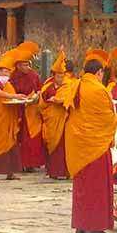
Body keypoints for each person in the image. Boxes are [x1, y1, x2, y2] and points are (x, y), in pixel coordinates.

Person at [58, 55, 117, 233]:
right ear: (99, 73)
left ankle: (82, 225)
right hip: (95, 145)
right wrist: (115, 119)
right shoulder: (97, 89)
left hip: (79, 143)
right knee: (96, 186)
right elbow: (106, 116)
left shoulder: (77, 84)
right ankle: (94, 226)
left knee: (83, 185)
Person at [0, 48, 28, 181]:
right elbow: (0, 94)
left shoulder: (8, 84)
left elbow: (9, 99)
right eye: (3, 71)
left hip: (8, 118)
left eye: (8, 71)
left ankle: (10, 172)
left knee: (11, 141)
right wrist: (16, 96)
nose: (5, 73)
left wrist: (20, 99)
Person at [10, 43, 45, 172]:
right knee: (19, 137)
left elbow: (40, 90)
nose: (27, 67)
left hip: (31, 110)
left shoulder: (34, 75)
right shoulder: (13, 76)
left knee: (31, 138)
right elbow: (10, 91)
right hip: (17, 109)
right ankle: (19, 163)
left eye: (28, 64)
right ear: (18, 65)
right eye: (24, 65)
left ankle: (31, 164)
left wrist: (36, 97)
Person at [40, 51, 71, 180]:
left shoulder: (69, 85)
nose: (60, 78)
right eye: (58, 75)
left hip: (64, 119)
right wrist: (50, 101)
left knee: (64, 147)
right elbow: (41, 104)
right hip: (51, 120)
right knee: (52, 146)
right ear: (54, 75)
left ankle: (65, 171)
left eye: (62, 75)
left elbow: (70, 99)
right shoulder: (47, 86)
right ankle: (53, 171)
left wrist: (60, 100)